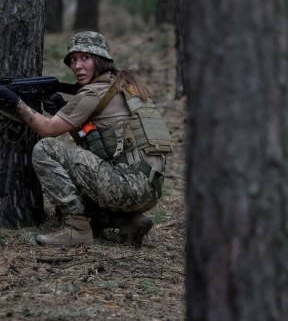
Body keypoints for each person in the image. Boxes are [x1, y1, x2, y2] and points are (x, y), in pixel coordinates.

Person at [0, 31, 173, 248]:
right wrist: (68, 116)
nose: (77, 66)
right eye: (73, 60)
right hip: (148, 188)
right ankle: (128, 221)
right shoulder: (121, 85)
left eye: (85, 58)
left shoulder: (92, 94)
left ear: (100, 60)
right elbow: (96, 139)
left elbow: (48, 130)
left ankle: (77, 230)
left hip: (128, 184)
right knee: (73, 194)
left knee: (45, 149)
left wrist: (14, 101)